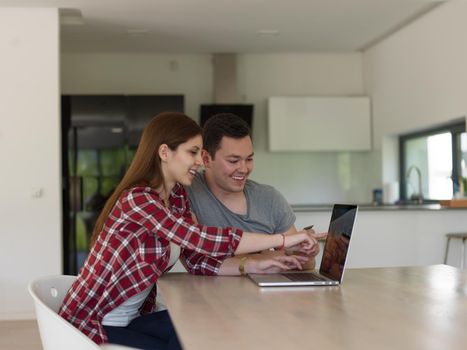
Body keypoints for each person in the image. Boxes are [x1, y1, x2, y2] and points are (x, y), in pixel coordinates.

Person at [58, 112, 317, 350]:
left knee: (200, 324)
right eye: (192, 153)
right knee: (186, 341)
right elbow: (200, 239)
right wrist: (284, 239)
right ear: (164, 152)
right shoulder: (138, 200)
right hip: (93, 323)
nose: (198, 162)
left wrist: (257, 266)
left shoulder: (178, 197)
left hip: (133, 319)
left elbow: (197, 259)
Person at [185, 113, 325, 276]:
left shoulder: (270, 198)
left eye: (249, 159)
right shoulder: (188, 191)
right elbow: (196, 258)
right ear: (206, 158)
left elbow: (304, 264)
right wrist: (263, 257)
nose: (244, 169)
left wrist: (306, 252)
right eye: (233, 161)